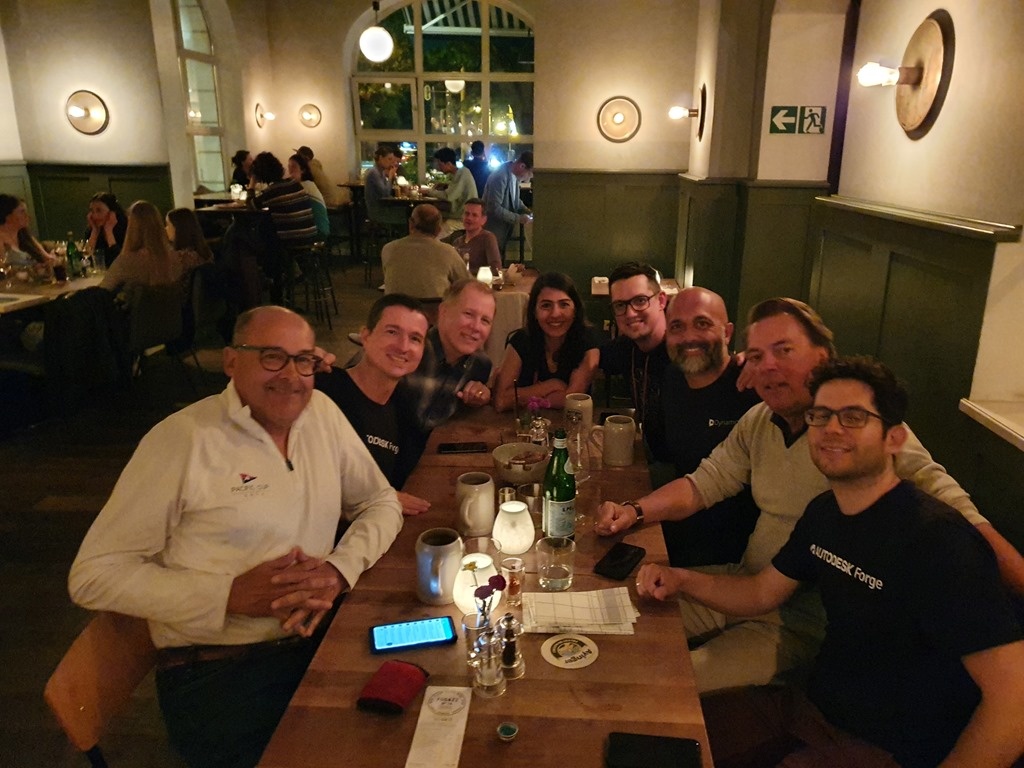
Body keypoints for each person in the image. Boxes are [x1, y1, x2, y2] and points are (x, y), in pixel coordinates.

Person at [596, 297, 1024, 694]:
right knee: (614, 617)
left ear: (822, 358)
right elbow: (705, 482)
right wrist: (633, 511)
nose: (767, 366)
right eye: (757, 356)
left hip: (797, 623)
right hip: (743, 583)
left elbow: (959, 513)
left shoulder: (857, 436)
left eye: (784, 351)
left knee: (658, 680)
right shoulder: (760, 420)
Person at [642, 357, 1024, 768]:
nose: (832, 429)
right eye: (820, 415)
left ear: (894, 439)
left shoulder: (937, 540)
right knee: (653, 722)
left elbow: (1014, 698)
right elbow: (760, 593)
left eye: (853, 417)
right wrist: (681, 579)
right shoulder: (825, 512)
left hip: (885, 746)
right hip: (809, 707)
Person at [68, 306, 404, 768]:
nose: (291, 376)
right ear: (231, 361)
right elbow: (92, 576)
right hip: (219, 674)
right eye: (272, 357)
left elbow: (381, 501)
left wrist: (337, 570)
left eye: (304, 360)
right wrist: (227, 595)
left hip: (314, 643)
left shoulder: (321, 414)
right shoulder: (182, 441)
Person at [659, 287, 761, 567]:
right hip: (675, 534)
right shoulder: (672, 377)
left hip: (736, 559)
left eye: (702, 324)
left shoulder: (754, 386)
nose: (688, 337)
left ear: (727, 333)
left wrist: (762, 362)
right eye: (677, 327)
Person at [316, 294, 431, 516]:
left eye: (415, 338)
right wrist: (376, 498)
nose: (403, 346)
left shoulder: (404, 408)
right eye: (392, 332)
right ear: (365, 336)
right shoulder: (323, 388)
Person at [493, 271, 600, 412]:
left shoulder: (588, 341)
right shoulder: (521, 340)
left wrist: (525, 396)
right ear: (534, 312)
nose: (555, 314)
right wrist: (551, 385)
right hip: (525, 424)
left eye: (564, 304)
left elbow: (571, 400)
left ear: (575, 310)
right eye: (546, 305)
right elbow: (501, 401)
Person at [598, 262, 672, 464]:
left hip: (690, 471)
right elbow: (592, 356)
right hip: (649, 458)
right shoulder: (626, 347)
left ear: (661, 300)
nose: (630, 313)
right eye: (620, 305)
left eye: (640, 301)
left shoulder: (683, 350)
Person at [404, 277, 495, 431]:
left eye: (485, 320)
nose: (476, 327)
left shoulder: (480, 365)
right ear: (443, 312)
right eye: (468, 314)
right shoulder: (408, 350)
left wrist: (482, 396)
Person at [249, 151, 317, 304]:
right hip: (310, 235)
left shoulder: (272, 191)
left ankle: (274, 288)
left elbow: (252, 205)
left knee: (267, 239)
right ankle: (281, 283)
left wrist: (252, 184)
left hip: (293, 241)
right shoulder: (294, 184)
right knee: (269, 228)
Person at [99, 201, 205, 294]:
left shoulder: (126, 262)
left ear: (131, 228)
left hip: (137, 311)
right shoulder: (177, 259)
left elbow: (103, 290)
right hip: (172, 311)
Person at [381, 203, 466, 309]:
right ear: (439, 230)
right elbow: (465, 284)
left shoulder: (388, 249)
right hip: (434, 315)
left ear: (411, 224)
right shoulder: (448, 251)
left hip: (395, 313)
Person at [481, 149, 532, 256]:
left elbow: (516, 200)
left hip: (502, 230)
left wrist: (527, 210)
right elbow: (494, 208)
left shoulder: (513, 175)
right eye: (529, 174)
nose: (528, 178)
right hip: (493, 229)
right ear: (522, 166)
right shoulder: (500, 176)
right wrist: (518, 218)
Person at [422, 147, 477, 237]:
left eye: (440, 164)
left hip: (464, 217)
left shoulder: (462, 173)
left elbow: (448, 196)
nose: (438, 168)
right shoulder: (459, 173)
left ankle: (431, 242)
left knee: (435, 232)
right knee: (433, 218)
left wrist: (428, 191)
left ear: (448, 164)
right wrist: (444, 184)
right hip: (459, 213)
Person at [449, 197, 502, 276]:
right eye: (467, 214)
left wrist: (467, 272)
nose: (469, 218)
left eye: (474, 215)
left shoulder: (488, 238)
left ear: (483, 220)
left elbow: (496, 268)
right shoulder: (457, 241)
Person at [0, 194, 53, 271]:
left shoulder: (25, 235)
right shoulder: (1, 241)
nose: (27, 216)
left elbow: (46, 258)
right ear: (8, 216)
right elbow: (3, 271)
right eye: (22, 212)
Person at [287, 152, 330, 237]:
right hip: (315, 229)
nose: (290, 170)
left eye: (294, 167)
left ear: (303, 170)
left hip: (318, 231)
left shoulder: (306, 185)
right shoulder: (307, 184)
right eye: (289, 167)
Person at [363, 144, 403, 227]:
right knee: (406, 215)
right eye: (389, 159)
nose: (391, 162)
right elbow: (385, 193)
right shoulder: (374, 172)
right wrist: (391, 176)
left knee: (405, 212)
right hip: (377, 211)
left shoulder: (381, 172)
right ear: (381, 158)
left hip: (382, 208)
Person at [85, 192, 128, 266]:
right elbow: (86, 261)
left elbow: (121, 262)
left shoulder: (126, 229)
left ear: (112, 212)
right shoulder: (92, 231)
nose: (94, 216)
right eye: (92, 211)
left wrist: (108, 231)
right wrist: (95, 231)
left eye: (99, 210)